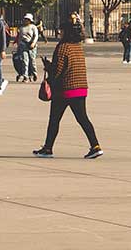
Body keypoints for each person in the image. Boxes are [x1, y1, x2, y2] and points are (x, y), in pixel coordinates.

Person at [32, 19, 101, 159]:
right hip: (81, 88)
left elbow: (58, 70)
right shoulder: (77, 46)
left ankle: (48, 148)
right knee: (83, 118)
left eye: (61, 30)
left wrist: (48, 68)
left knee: (54, 119)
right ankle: (95, 146)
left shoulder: (63, 47)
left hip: (65, 89)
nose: (59, 33)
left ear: (66, 32)